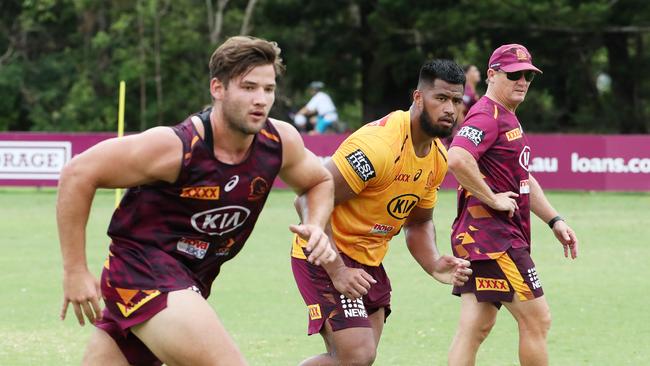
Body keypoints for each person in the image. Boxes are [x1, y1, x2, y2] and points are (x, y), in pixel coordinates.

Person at [57, 36, 338, 366]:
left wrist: (316, 225)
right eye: (248, 88)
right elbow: (76, 175)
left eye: (268, 89)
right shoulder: (176, 147)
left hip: (190, 279)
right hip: (143, 272)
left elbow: (319, 180)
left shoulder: (279, 142)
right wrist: (75, 270)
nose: (261, 100)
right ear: (217, 88)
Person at [291, 59, 473, 365]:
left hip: (368, 263)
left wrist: (434, 262)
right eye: (440, 98)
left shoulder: (438, 158)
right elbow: (308, 200)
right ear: (418, 98)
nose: (450, 110)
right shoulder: (379, 147)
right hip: (325, 254)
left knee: (358, 360)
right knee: (356, 354)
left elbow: (418, 222)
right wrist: (337, 269)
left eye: (456, 101)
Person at [446, 44, 579, 366]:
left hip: (482, 239)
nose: (522, 82)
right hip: (495, 241)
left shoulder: (506, 118)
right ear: (491, 75)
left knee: (475, 327)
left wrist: (554, 219)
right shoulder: (486, 116)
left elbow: (522, 179)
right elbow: (457, 157)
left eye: (528, 77)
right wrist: (491, 197)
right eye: (514, 75)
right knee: (537, 319)